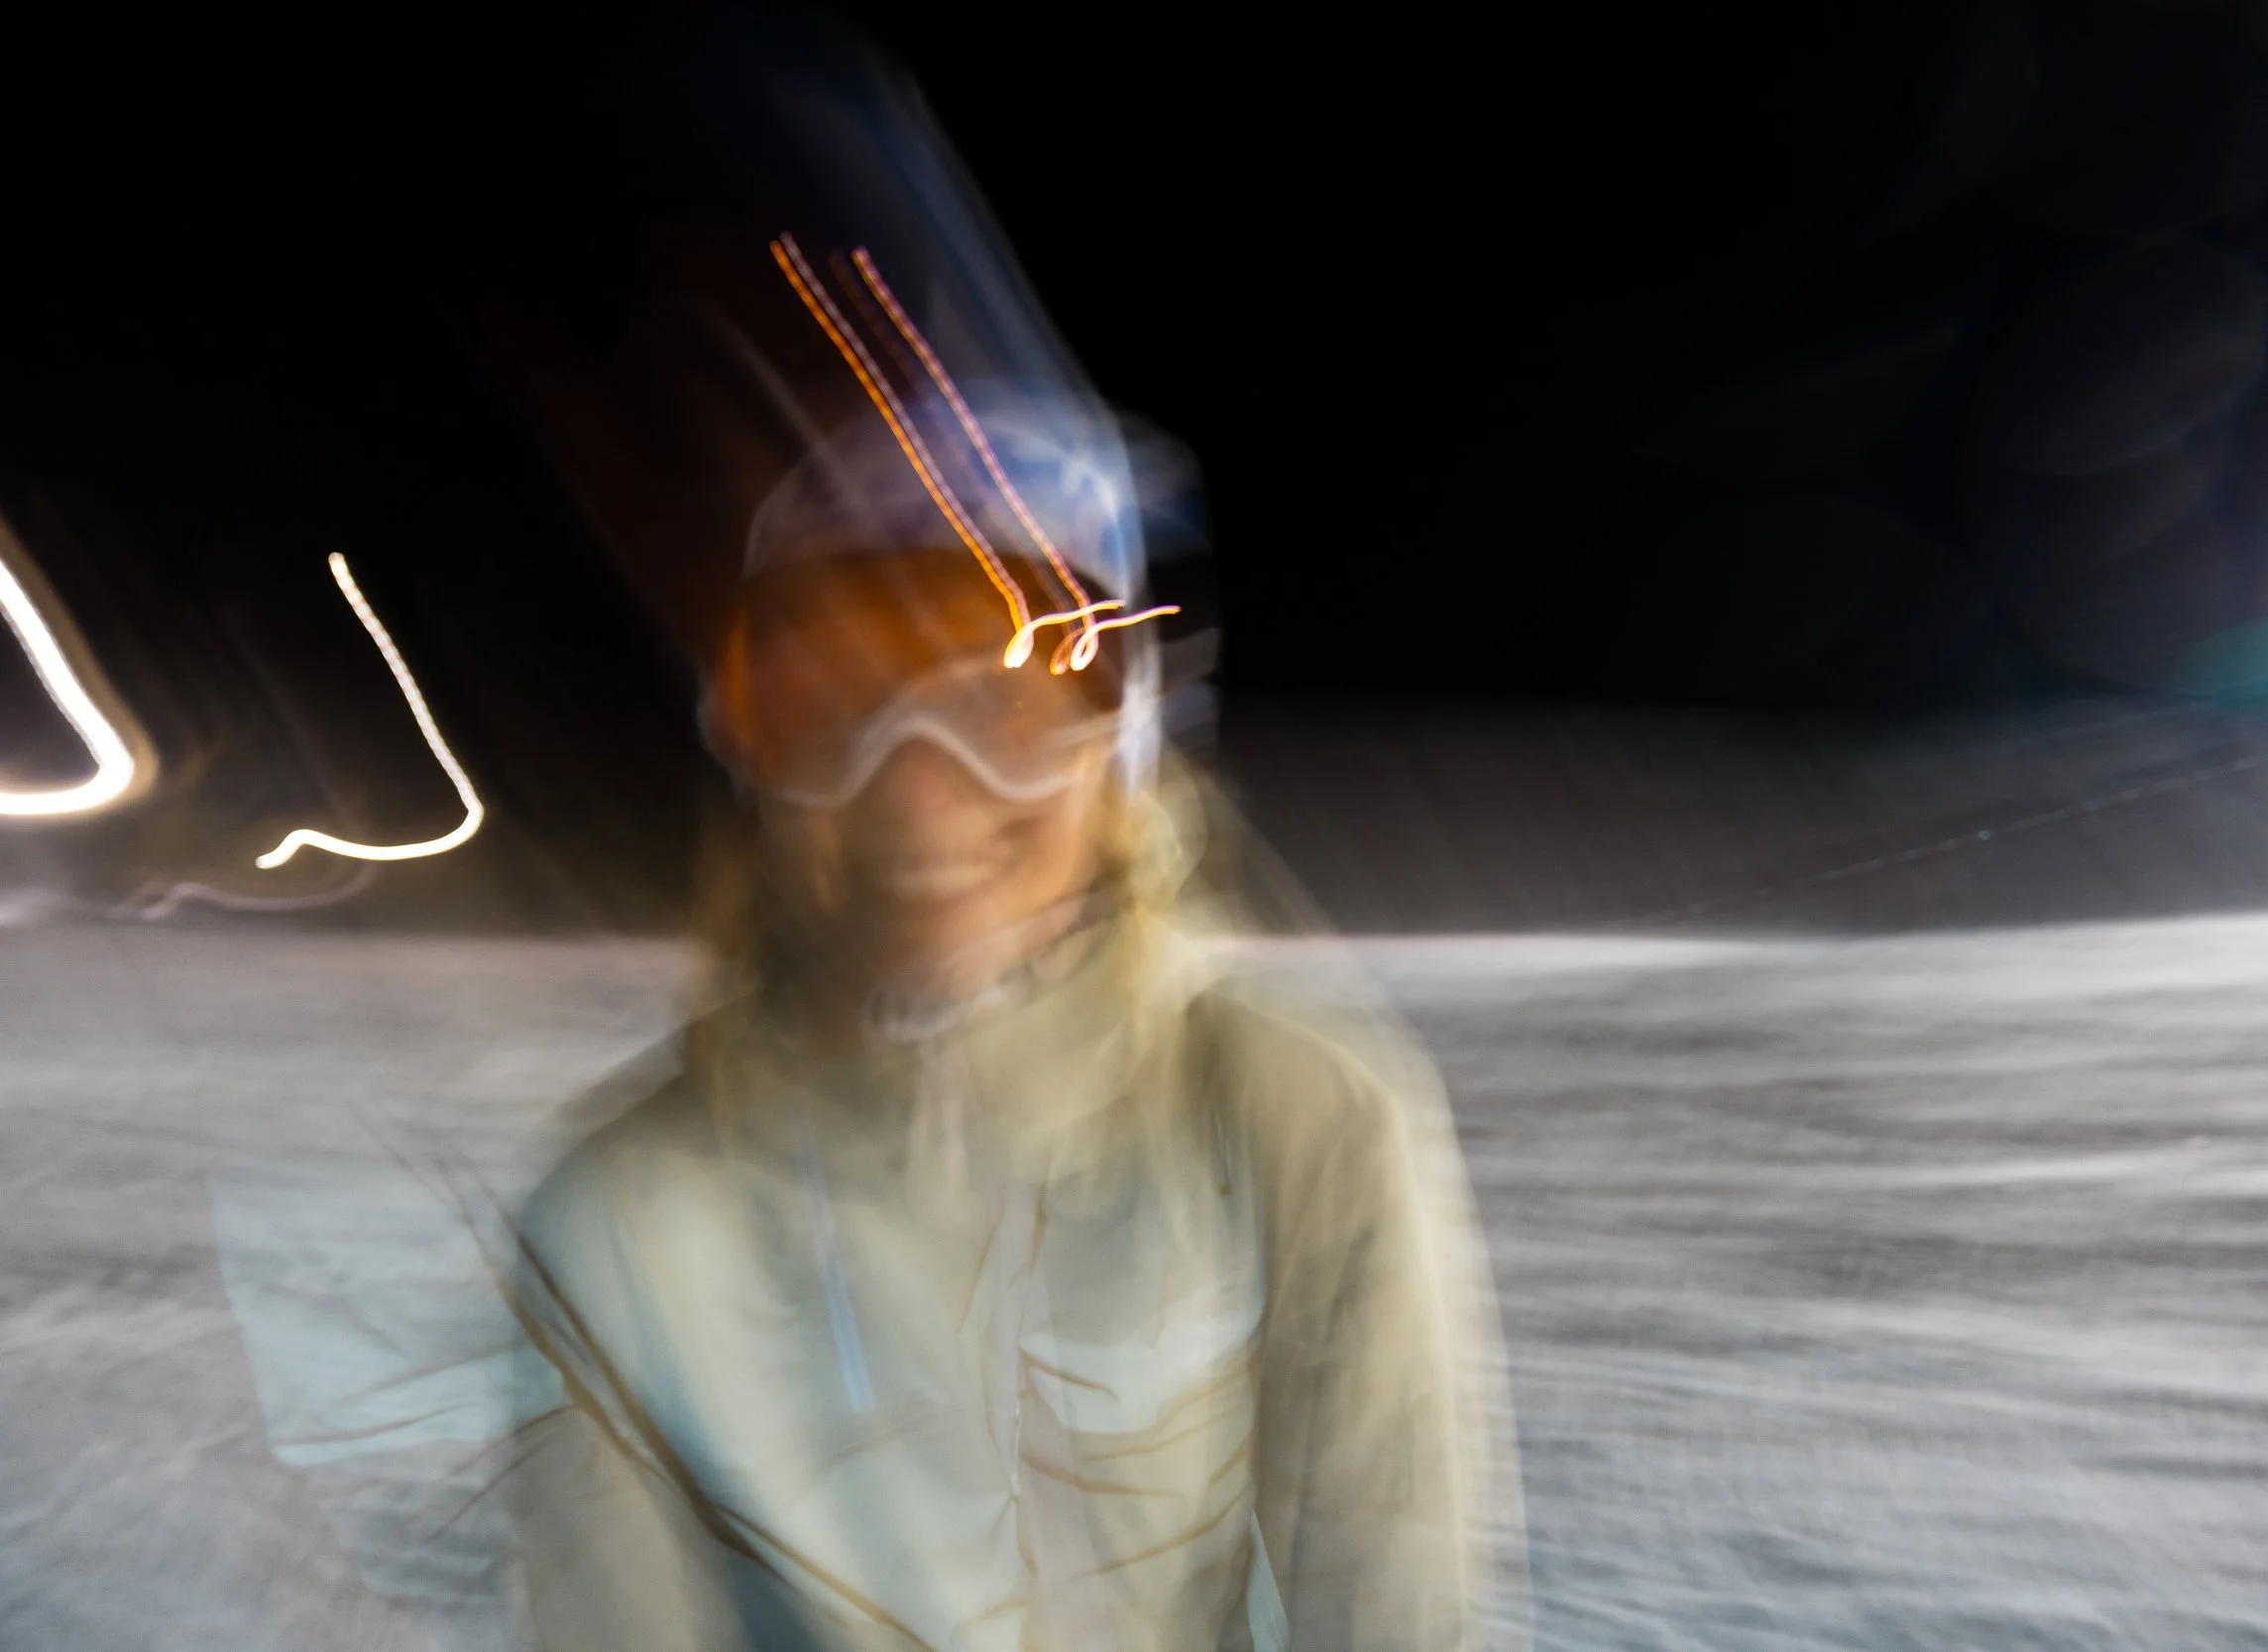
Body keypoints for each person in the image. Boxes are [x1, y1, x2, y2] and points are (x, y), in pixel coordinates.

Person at [502, 377, 1526, 1652]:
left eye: (1003, 706)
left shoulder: (1299, 1119)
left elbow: (1393, 1612)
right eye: (838, 710)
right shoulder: (615, 1221)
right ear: (754, 761)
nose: (920, 790)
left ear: (1117, 752)